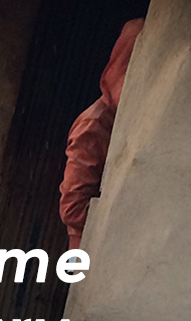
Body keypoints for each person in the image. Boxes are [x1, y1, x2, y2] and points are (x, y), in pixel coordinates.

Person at [59, 18, 145, 249]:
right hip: (89, 252)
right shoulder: (95, 124)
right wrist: (129, 220)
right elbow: (72, 209)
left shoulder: (128, 119)